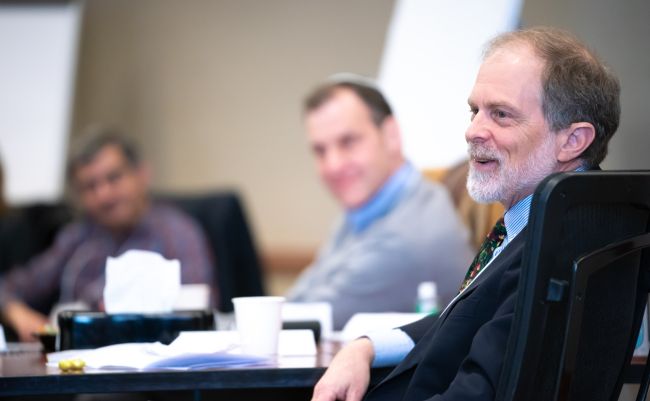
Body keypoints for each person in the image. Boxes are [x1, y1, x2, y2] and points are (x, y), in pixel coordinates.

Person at [311, 26, 620, 401]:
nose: (473, 131)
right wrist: (367, 347)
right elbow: (468, 319)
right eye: (475, 111)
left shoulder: (558, 247)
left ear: (572, 141)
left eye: (501, 115)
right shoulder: (564, 220)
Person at [287, 77, 475, 329]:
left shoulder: (406, 238)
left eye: (348, 142)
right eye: (320, 151)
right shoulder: (367, 210)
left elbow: (297, 323)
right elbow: (298, 298)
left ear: (391, 135)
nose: (333, 165)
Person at [0, 128, 215, 342]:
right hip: (75, 362)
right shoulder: (77, 236)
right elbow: (9, 286)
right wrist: (17, 313)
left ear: (142, 174)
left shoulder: (177, 233)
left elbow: (198, 312)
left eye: (114, 178)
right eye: (90, 186)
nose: (104, 195)